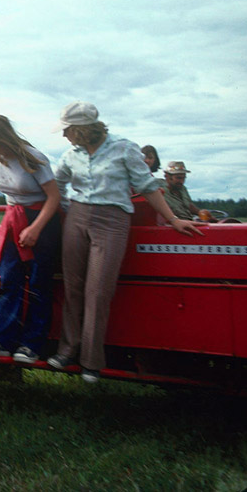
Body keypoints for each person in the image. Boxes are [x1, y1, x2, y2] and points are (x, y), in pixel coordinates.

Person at [47, 102, 202, 383]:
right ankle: (66, 350)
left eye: (67, 130)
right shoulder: (71, 154)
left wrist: (173, 219)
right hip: (77, 218)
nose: (64, 135)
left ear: (82, 129)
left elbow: (147, 186)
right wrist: (66, 212)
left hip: (112, 220)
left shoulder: (124, 148)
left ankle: (91, 362)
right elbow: (57, 184)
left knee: (98, 291)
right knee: (73, 286)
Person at [0, 115, 61, 364]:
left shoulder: (34, 158)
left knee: (38, 283)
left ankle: (32, 345)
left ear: (3, 138)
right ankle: (2, 340)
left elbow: (53, 197)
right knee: (9, 279)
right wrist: (12, 225)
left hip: (41, 219)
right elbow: (10, 194)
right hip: (14, 220)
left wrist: (35, 228)